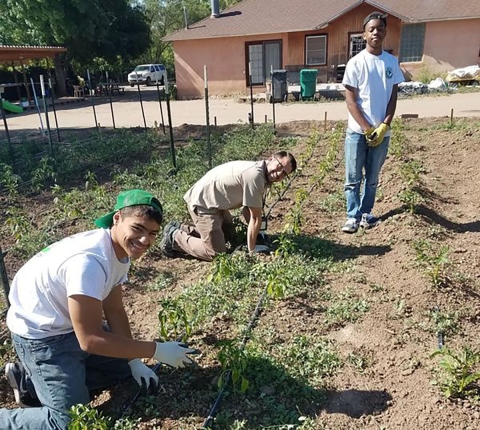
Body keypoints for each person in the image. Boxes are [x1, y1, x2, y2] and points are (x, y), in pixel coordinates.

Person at [1, 189, 198, 430]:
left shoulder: (118, 251)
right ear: (117, 218)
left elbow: (114, 309)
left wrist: (134, 361)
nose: (145, 240)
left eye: (152, 233)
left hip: (71, 324)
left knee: (124, 368)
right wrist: (155, 350)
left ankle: (30, 383)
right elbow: (91, 340)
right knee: (68, 423)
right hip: (43, 337)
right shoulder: (89, 262)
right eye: (137, 228)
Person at [160, 151, 297, 261]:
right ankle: (174, 237)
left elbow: (247, 209)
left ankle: (181, 228)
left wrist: (259, 233)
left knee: (228, 235)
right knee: (216, 253)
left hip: (216, 204)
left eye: (284, 173)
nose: (279, 174)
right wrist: (252, 251)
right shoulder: (255, 176)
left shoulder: (261, 172)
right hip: (203, 204)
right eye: (279, 166)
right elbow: (255, 218)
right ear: (271, 158)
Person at [341, 11, 404, 233]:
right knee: (353, 177)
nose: (376, 32)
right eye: (371, 29)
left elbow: (392, 97)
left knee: (372, 178)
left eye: (380, 28)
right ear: (364, 35)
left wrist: (385, 125)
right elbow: (351, 102)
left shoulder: (391, 62)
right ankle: (352, 216)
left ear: (385, 32)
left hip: (382, 133)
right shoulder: (355, 63)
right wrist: (368, 129)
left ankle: (366, 212)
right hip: (358, 132)